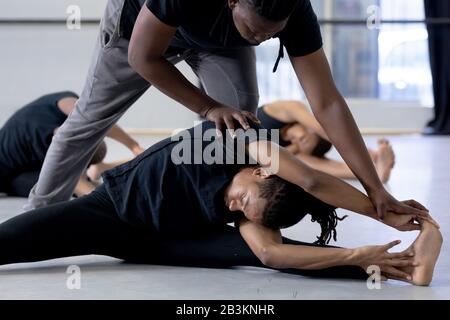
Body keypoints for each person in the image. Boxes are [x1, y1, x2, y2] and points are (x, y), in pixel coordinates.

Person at [26, 0, 426, 225]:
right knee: (85, 123)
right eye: (257, 32)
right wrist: (206, 105)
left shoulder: (293, 11)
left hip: (218, 42)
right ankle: (37, 218)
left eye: (271, 34)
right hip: (138, 34)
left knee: (241, 131)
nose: (264, 39)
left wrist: (375, 187)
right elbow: (143, 57)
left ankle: (215, 211)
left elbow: (327, 102)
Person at [0, 121, 442, 286]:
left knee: (273, 258)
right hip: (110, 213)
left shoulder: (249, 206)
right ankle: (386, 259)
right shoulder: (234, 142)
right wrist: (381, 207)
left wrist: (356, 255)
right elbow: (311, 178)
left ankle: (402, 267)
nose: (233, 208)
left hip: (167, 241)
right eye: (242, 200)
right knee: (16, 239)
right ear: (261, 172)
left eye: (242, 214)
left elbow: (270, 251)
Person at [0, 92, 144, 197]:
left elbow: (100, 121)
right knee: (69, 183)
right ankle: (92, 172)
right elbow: (93, 117)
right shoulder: (65, 108)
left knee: (62, 184)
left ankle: (97, 169)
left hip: (24, 171)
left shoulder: (69, 120)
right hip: (7, 166)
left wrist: (133, 146)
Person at [257, 100, 396, 182]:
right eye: (305, 138)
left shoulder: (292, 150)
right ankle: (369, 159)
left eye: (301, 145)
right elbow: (323, 129)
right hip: (238, 141)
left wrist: (294, 149)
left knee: (299, 161)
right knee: (294, 156)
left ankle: (376, 173)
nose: (298, 141)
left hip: (250, 156)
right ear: (310, 128)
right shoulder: (287, 109)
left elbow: (267, 157)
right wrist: (363, 151)